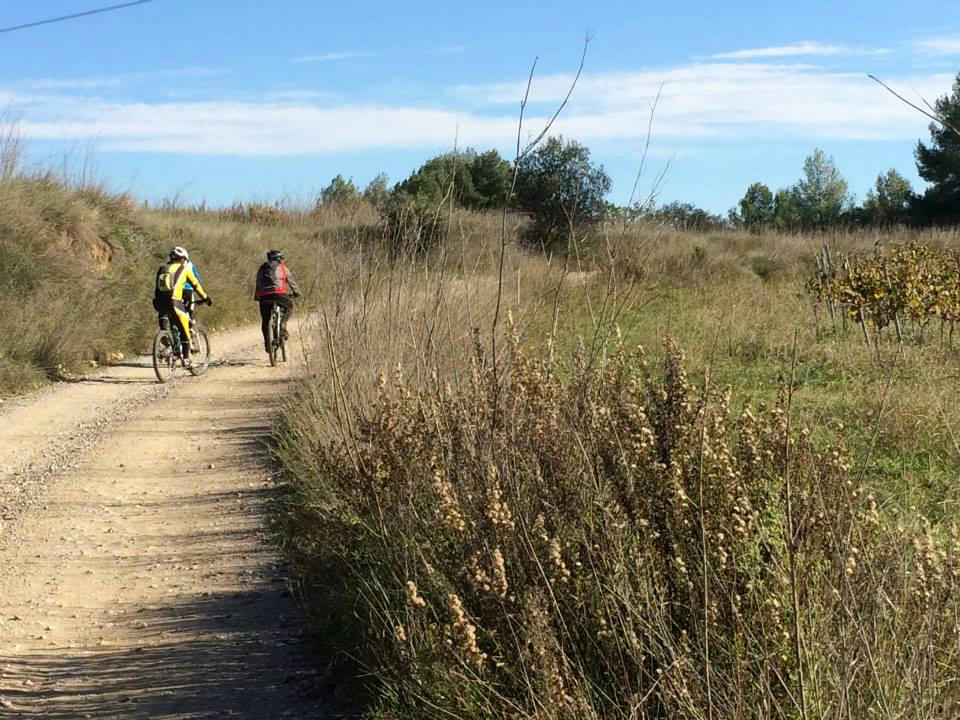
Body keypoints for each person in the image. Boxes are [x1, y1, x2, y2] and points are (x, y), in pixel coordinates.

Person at [153, 246, 211, 364]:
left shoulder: (162, 268)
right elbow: (196, 285)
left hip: (159, 302)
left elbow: (157, 287)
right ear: (183, 259)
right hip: (174, 302)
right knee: (184, 329)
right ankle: (186, 359)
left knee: (172, 323)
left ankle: (170, 344)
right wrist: (206, 298)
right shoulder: (184, 269)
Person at [254, 249, 300, 354]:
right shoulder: (283, 268)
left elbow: (258, 283)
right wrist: (296, 293)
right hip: (279, 294)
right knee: (289, 306)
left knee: (265, 320)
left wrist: (257, 297)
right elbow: (292, 282)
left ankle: (267, 344)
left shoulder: (262, 268)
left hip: (264, 296)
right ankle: (282, 326)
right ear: (279, 259)